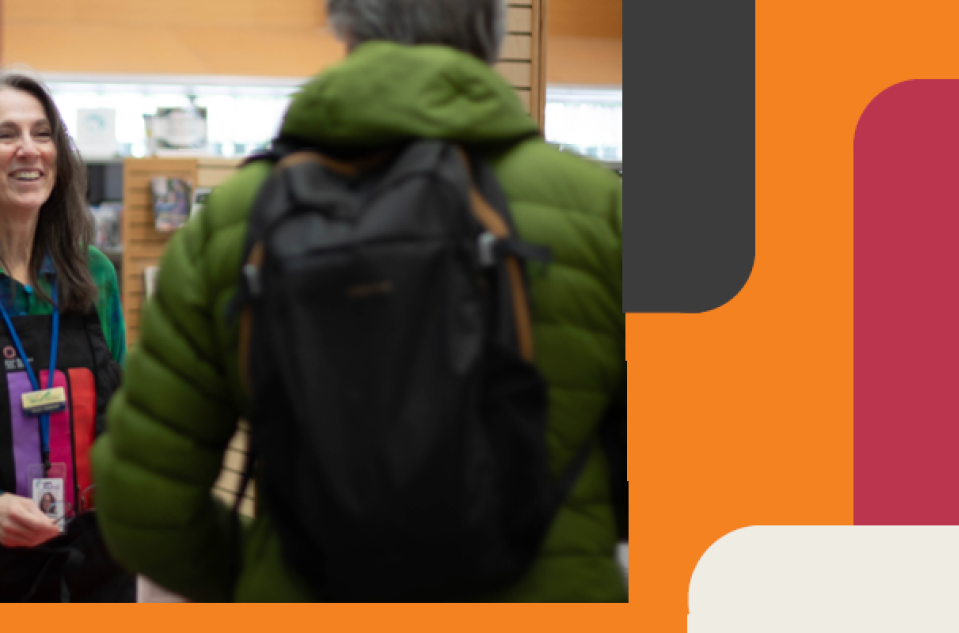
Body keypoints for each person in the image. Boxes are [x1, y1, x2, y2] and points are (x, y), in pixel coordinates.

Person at [90, 0, 625, 602]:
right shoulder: (600, 211)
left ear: (345, 24)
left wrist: (266, 576)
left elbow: (141, 504)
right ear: (494, 30)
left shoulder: (237, 220)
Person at [0, 69, 134, 602]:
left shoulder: (94, 276)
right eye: (5, 134)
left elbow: (127, 413)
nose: (29, 150)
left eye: (43, 134)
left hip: (97, 566)